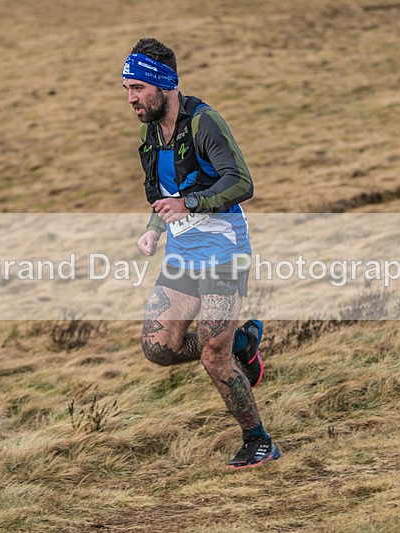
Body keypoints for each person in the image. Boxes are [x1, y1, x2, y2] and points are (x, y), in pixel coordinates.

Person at [122, 38, 280, 469]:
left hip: (225, 251)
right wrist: (154, 230)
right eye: (127, 90)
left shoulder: (205, 122)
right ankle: (244, 339)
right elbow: (162, 197)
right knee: (158, 347)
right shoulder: (150, 134)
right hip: (182, 253)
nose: (132, 98)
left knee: (213, 355)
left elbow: (242, 183)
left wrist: (190, 204)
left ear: (164, 85)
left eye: (138, 88)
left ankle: (259, 440)